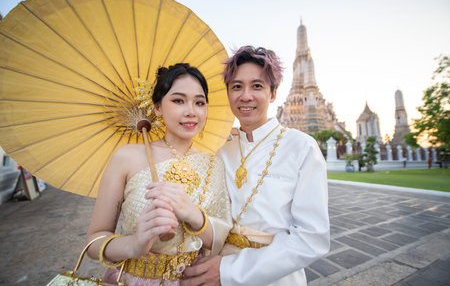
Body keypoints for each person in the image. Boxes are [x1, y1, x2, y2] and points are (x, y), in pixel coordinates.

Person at [182, 46, 330, 286]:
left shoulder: (301, 147)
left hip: (276, 278)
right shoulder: (222, 154)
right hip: (215, 270)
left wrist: (229, 272)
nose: (246, 96)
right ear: (228, 93)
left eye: (257, 86)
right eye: (237, 86)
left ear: (273, 94)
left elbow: (311, 238)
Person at [86, 63, 232, 285]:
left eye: (199, 102)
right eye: (178, 100)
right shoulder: (126, 157)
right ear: (157, 108)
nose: (191, 111)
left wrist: (194, 216)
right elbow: (94, 239)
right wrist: (134, 245)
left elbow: (222, 237)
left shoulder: (215, 163)